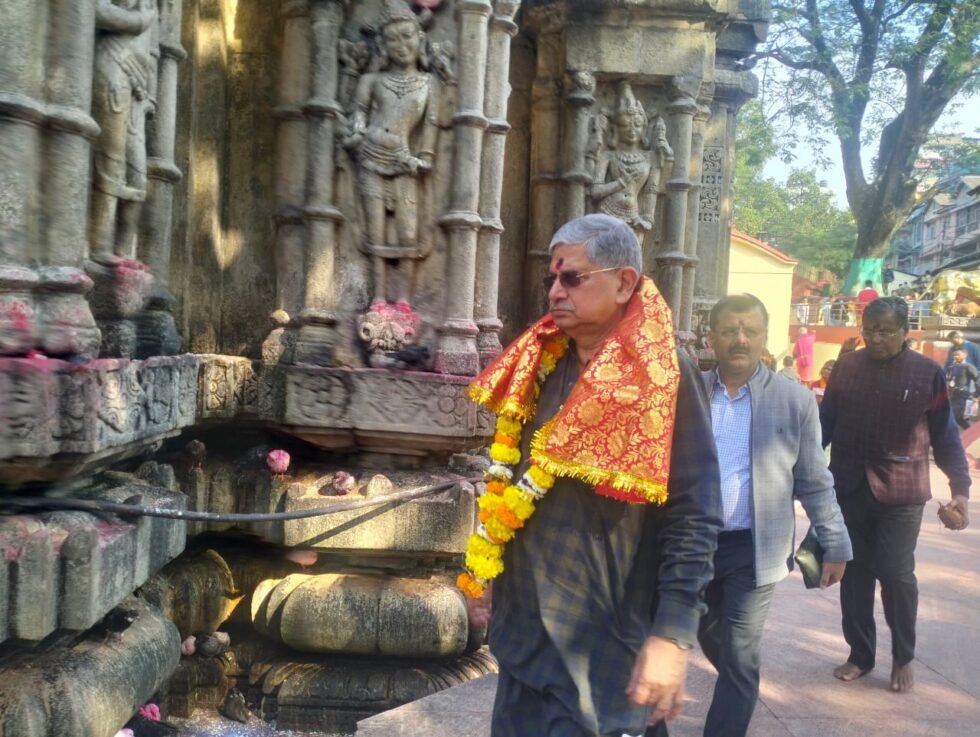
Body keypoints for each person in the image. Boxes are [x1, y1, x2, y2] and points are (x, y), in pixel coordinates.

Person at [462, 214, 723, 736]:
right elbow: (509, 478)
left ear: (624, 282)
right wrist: (489, 570)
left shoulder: (664, 372)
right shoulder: (542, 360)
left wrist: (672, 635)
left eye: (572, 278)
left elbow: (694, 512)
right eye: (551, 280)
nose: (556, 291)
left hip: (604, 648)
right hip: (525, 641)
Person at [645, 294, 850, 737]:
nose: (740, 339)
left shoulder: (794, 400)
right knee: (678, 635)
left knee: (740, 655)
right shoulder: (685, 391)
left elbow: (814, 478)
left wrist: (835, 541)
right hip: (685, 544)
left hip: (753, 547)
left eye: (751, 330)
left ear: (763, 337)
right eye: (730, 330)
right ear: (712, 337)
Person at [820, 297, 971, 693]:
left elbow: (946, 435)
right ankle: (860, 655)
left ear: (906, 332)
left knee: (896, 574)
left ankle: (903, 655)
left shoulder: (928, 373)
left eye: (886, 331)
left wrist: (960, 491)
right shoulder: (847, 367)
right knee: (854, 575)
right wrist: (800, 473)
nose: (876, 338)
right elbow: (824, 424)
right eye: (869, 330)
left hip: (902, 492)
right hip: (849, 487)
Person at [946, 347, 979, 430]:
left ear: (965, 355)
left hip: (963, 396)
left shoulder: (969, 367)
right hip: (953, 395)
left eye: (958, 355)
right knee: (959, 419)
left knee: (953, 416)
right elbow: (949, 380)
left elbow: (978, 381)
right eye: (954, 355)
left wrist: (976, 396)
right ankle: (969, 433)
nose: (955, 357)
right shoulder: (952, 368)